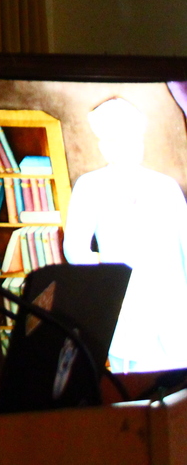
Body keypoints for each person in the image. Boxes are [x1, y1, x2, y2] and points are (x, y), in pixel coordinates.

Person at [62, 96, 187, 372]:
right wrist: (110, 284)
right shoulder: (90, 186)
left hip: (176, 313)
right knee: (135, 391)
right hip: (126, 314)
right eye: (118, 140)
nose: (128, 146)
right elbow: (75, 249)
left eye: (133, 139)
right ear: (104, 147)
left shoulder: (166, 186)